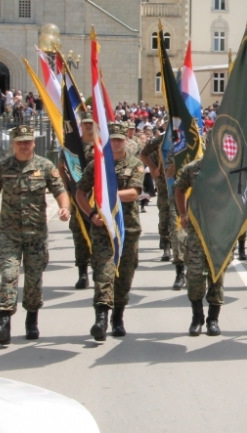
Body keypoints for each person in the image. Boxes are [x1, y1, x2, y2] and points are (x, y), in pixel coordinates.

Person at [0, 124, 71, 345]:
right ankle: (4, 322)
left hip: (36, 234)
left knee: (33, 279)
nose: (23, 145)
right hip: (9, 234)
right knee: (9, 275)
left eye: (27, 141)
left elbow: (60, 191)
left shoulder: (45, 166)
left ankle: (32, 320)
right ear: (13, 143)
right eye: (19, 142)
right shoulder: (2, 167)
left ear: (33, 143)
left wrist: (64, 208)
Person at [76, 122, 144, 341]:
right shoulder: (96, 165)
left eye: (119, 139)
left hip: (127, 229)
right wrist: (91, 214)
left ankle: (118, 318)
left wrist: (108, 196)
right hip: (103, 228)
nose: (115, 143)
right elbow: (80, 193)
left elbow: (134, 193)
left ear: (126, 141)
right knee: (103, 273)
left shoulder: (135, 165)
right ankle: (101, 319)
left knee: (124, 275)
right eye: (112, 139)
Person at [175, 156, 225, 336]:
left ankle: (213, 319)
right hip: (196, 229)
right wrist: (182, 214)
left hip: (219, 230)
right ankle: (197, 317)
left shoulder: (229, 167)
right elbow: (179, 189)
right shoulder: (192, 168)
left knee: (216, 274)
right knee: (195, 273)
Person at [139, 132, 185, 288]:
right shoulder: (161, 140)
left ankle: (183, 254)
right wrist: (153, 168)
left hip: (184, 183)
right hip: (164, 183)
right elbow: (143, 154)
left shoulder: (189, 137)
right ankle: (166, 245)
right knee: (165, 214)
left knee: (180, 219)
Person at [63, 112, 95, 289]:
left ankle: (100, 269)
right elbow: (62, 166)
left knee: (101, 235)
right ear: (81, 125)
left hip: (97, 199)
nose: (89, 126)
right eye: (86, 123)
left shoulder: (102, 145)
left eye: (91, 123)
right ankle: (83, 273)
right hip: (78, 199)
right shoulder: (74, 145)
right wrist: (67, 189)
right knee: (80, 235)